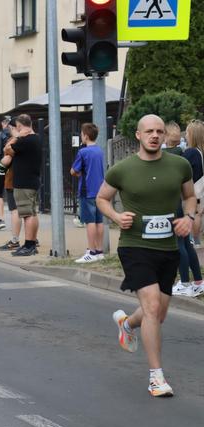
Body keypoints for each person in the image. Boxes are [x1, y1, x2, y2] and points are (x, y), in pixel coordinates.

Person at [97, 114, 195, 397]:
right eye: (149, 131)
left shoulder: (180, 165)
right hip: (135, 246)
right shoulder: (122, 169)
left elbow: (189, 196)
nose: (155, 135)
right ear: (138, 136)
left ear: (165, 136)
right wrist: (116, 216)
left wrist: (189, 217)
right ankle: (156, 378)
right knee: (152, 306)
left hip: (167, 248)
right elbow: (102, 198)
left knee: (159, 313)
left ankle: (126, 323)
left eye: (159, 131)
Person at [0, 115, 41, 256]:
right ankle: (32, 243)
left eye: (16, 127)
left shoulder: (25, 141)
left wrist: (17, 136)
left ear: (20, 126)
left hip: (23, 183)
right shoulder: (36, 138)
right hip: (32, 181)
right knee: (32, 213)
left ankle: (28, 245)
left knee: (27, 215)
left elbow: (7, 149)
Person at [172, 120, 204, 297]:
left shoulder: (190, 153)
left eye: (188, 132)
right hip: (197, 199)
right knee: (187, 243)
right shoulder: (200, 152)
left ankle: (184, 283)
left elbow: (178, 169)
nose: (185, 135)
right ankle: (198, 281)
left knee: (181, 242)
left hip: (186, 201)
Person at [70, 123, 105, 263]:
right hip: (100, 190)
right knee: (99, 221)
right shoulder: (99, 151)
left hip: (87, 190)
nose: (80, 136)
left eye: (81, 134)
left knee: (89, 221)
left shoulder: (82, 152)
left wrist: (78, 174)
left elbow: (73, 170)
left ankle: (90, 251)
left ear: (85, 135)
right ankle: (99, 251)